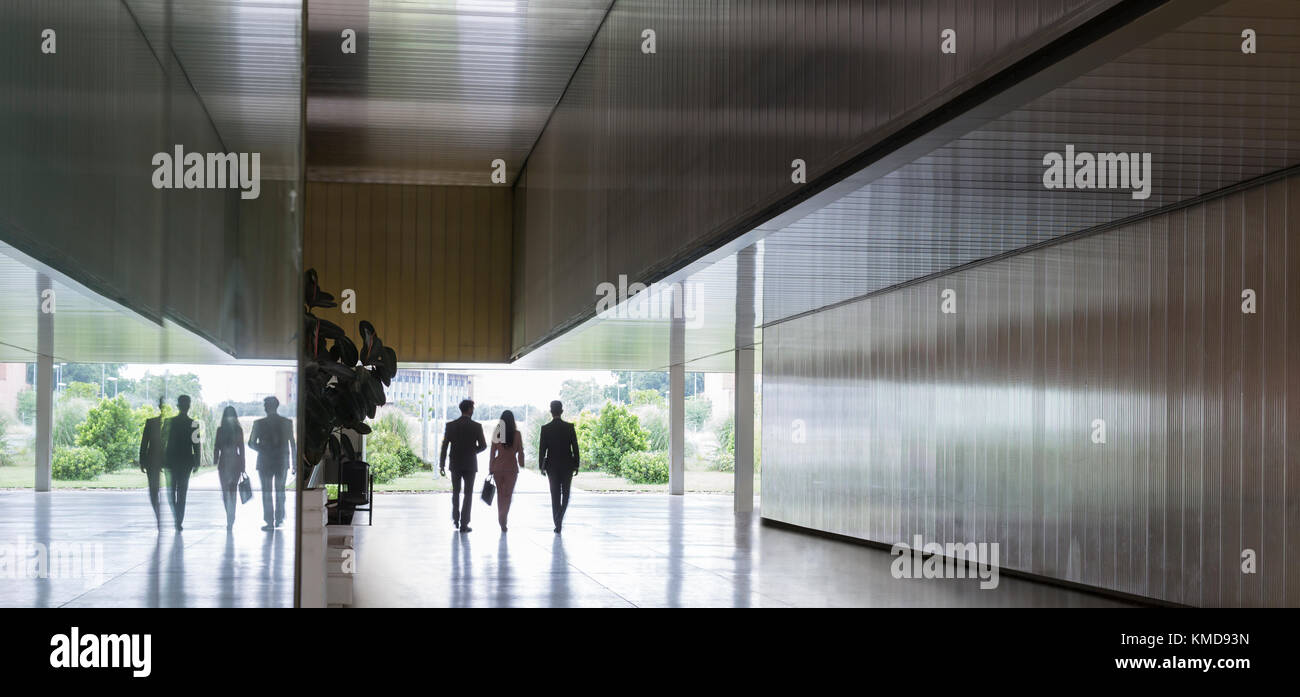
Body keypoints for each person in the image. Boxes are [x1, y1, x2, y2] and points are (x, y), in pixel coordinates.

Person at [248, 396, 295, 532]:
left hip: (265, 461)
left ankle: (269, 521)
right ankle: (279, 518)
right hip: (281, 462)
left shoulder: (259, 423)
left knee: (267, 492)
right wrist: (294, 464)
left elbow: (251, 443)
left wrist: (262, 449)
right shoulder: (286, 422)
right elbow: (292, 444)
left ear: (267, 407)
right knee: (280, 491)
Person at [440, 399, 486, 532]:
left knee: (455, 492)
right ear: (470, 409)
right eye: (473, 408)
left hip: (455, 463)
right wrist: (472, 451)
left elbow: (444, 446)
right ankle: (464, 523)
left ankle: (456, 519)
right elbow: (483, 446)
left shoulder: (451, 425)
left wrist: (442, 464)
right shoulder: (476, 426)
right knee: (468, 494)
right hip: (470, 464)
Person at [538, 400, 579, 533]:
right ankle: (559, 517)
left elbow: (542, 450)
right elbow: (575, 448)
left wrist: (541, 466)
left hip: (552, 466)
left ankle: (558, 522)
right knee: (566, 494)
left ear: (551, 412)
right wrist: (576, 464)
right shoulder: (569, 427)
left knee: (554, 494)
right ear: (561, 411)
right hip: (567, 465)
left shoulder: (545, 429)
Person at [162, 395, 201, 532]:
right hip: (185, 461)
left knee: (171, 491)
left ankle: (177, 518)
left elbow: (162, 442)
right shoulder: (194, 424)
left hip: (171, 461)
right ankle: (178, 519)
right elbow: (196, 445)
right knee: (182, 492)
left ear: (178, 406)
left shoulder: (169, 422)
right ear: (188, 406)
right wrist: (197, 461)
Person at [488, 410, 525, 532]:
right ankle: (504, 516)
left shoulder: (497, 432)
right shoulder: (517, 434)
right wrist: (522, 463)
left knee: (500, 494)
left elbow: (492, 452)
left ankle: (501, 517)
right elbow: (520, 451)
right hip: (511, 468)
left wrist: (491, 468)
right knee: (508, 495)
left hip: (498, 467)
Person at [213, 406, 246, 530]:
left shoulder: (220, 430)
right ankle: (231, 516)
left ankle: (229, 516)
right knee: (232, 491)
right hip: (236, 462)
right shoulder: (238, 430)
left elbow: (216, 447)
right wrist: (243, 465)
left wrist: (215, 459)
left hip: (224, 462)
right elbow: (241, 449)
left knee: (226, 491)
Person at [138, 397, 165, 531]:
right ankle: (158, 516)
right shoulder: (151, 423)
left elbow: (144, 444)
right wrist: (143, 460)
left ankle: (160, 516)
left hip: (162, 460)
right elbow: (144, 443)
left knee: (154, 491)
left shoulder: (168, 424)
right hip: (153, 461)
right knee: (154, 491)